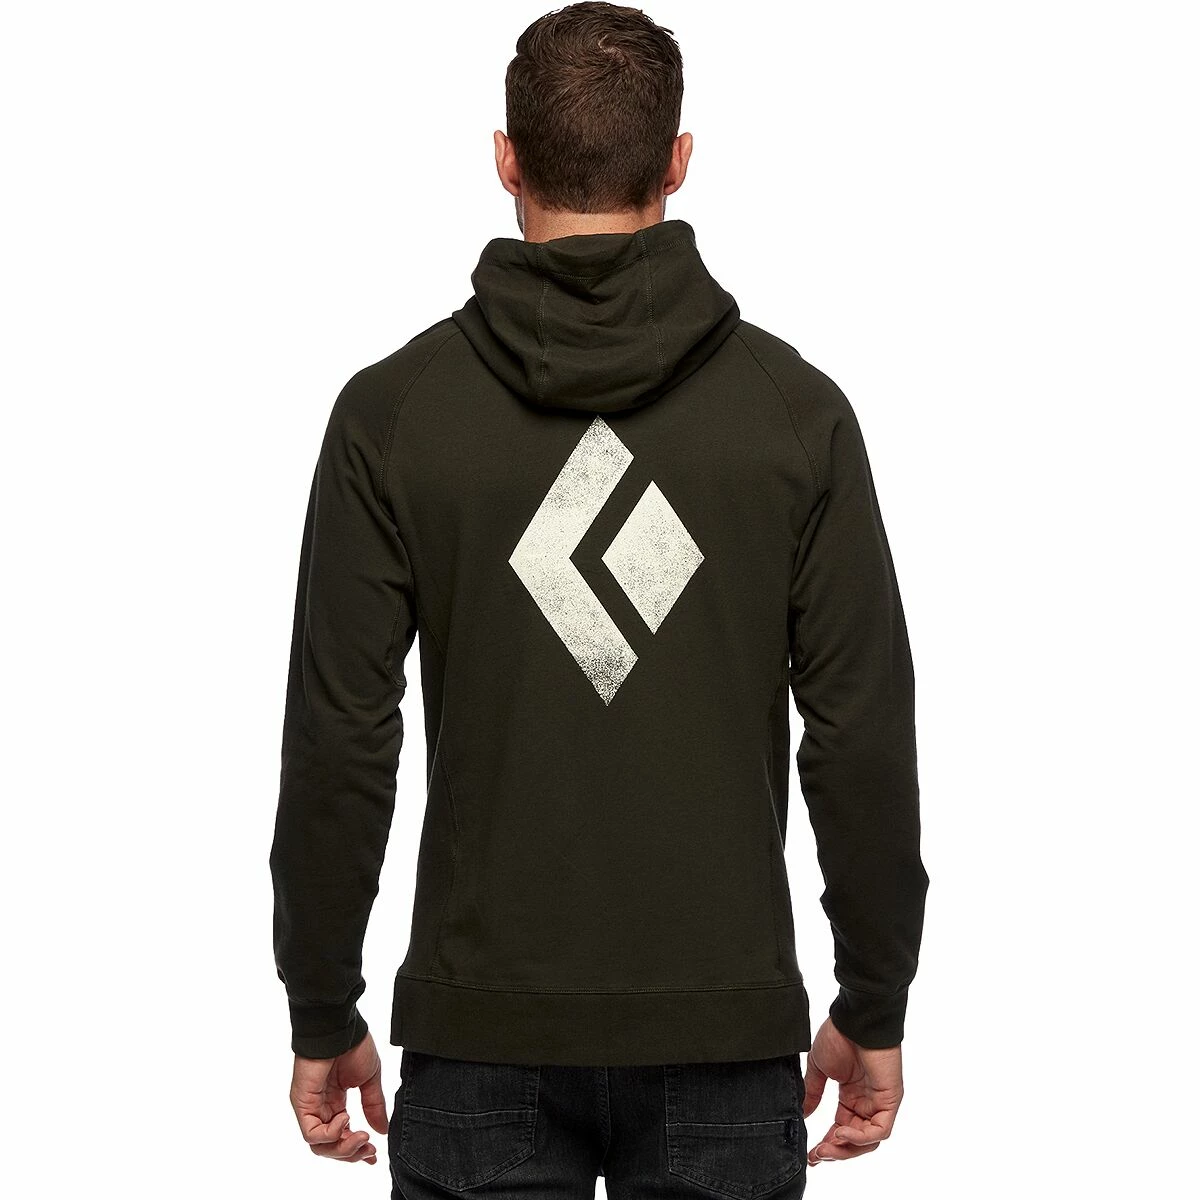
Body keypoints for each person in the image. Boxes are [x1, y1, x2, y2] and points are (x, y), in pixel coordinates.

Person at [268, 3, 929, 1196]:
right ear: (678, 160)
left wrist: (324, 1007)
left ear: (505, 159)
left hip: (480, 1036)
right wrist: (872, 1001)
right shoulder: (795, 416)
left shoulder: (395, 416)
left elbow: (340, 740)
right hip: (725, 1039)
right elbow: (861, 734)